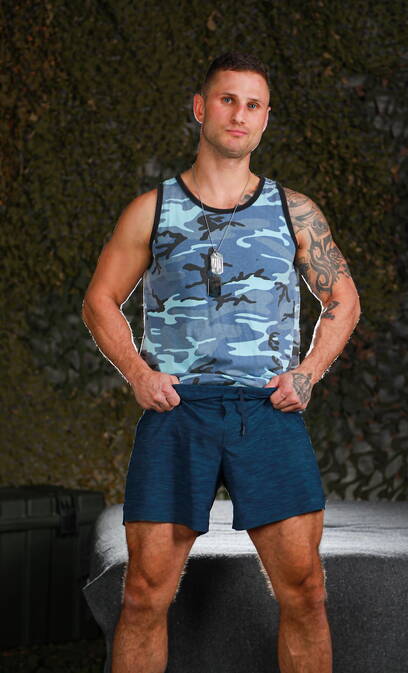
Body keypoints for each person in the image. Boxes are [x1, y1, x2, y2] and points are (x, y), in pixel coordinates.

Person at [82, 51, 360, 673]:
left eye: (253, 105)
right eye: (228, 100)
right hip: (178, 412)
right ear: (200, 108)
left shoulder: (294, 211)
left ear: (265, 119)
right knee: (143, 595)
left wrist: (308, 373)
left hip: (267, 411)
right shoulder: (153, 209)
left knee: (306, 592)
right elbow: (100, 299)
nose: (240, 114)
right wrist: (138, 373)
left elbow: (344, 299)